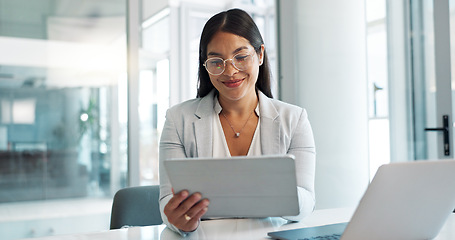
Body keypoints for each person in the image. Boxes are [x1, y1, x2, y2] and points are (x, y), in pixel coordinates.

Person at [158, 8, 316, 236]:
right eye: (216, 61)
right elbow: (166, 201)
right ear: (205, 65)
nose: (230, 71)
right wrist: (177, 220)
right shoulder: (178, 119)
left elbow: (306, 203)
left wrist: (281, 191)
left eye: (240, 57)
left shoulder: (294, 119)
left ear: (260, 54)